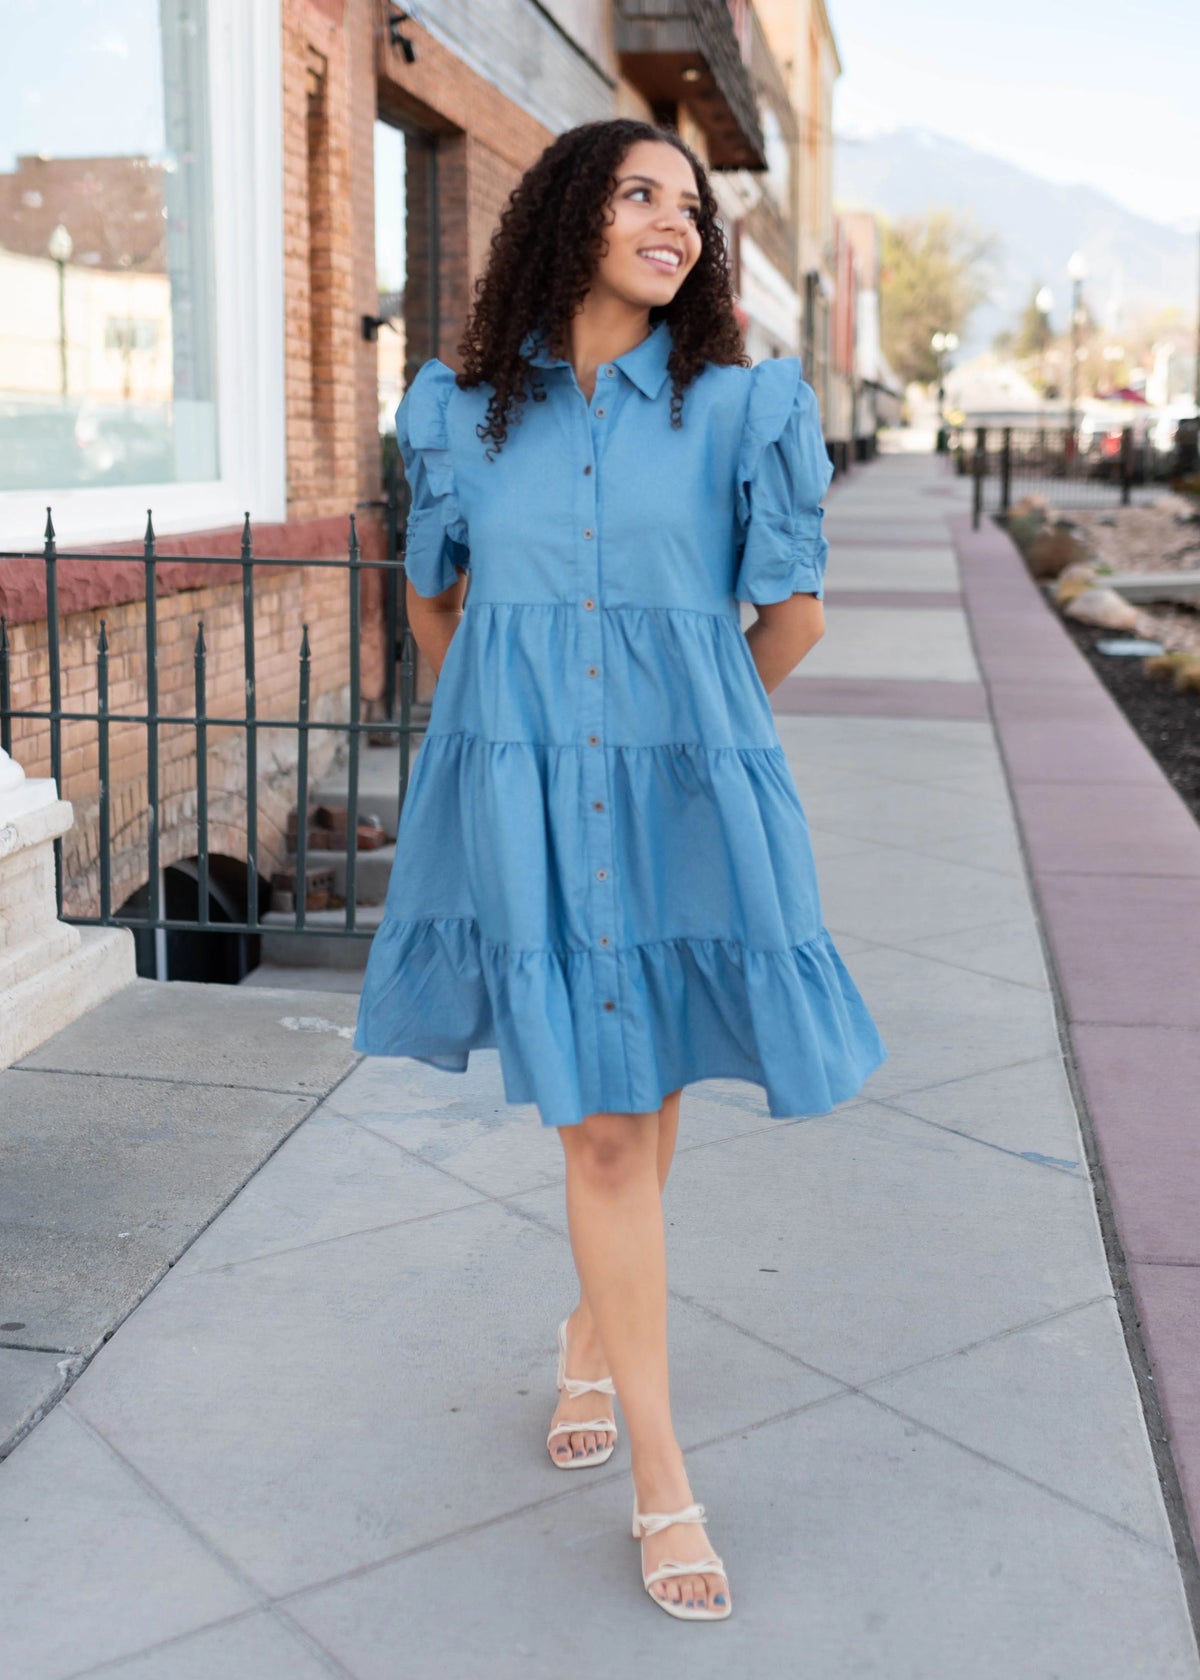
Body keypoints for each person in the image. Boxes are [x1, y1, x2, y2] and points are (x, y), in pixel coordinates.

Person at [354, 117, 886, 1622]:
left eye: (693, 206)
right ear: (568, 213)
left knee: (636, 1099)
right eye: (642, 193)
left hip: (683, 800)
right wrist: (521, 742)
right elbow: (438, 609)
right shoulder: (458, 412)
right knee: (600, 1129)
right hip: (526, 798)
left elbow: (791, 622)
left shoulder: (740, 408)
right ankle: (666, 1482)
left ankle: (594, 1335)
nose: (677, 221)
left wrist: (678, 740)